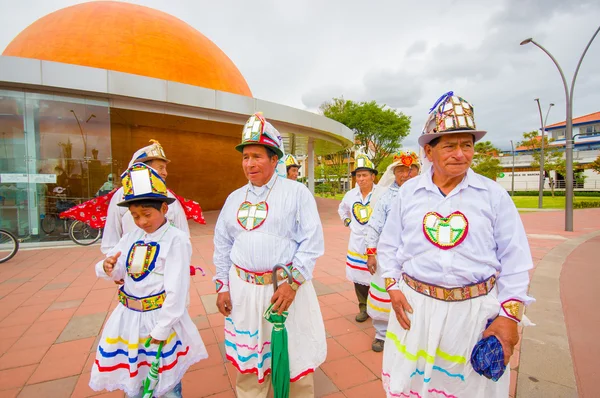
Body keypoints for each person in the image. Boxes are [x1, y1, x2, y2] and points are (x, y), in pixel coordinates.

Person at [378, 92, 534, 397]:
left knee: (466, 389)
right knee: (412, 386)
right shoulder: (408, 194)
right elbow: (389, 246)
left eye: (467, 145)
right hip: (416, 311)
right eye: (450, 145)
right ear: (429, 151)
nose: (460, 154)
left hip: (473, 316)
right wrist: (393, 288)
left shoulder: (492, 195)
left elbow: (515, 259)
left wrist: (509, 316)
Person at [213, 112, 326, 398]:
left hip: (284, 291)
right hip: (244, 292)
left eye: (257, 156)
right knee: (250, 362)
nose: (249, 164)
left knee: (293, 355)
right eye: (245, 157)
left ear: (274, 159)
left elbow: (312, 242)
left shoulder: (297, 193)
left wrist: (293, 283)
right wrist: (223, 286)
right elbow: (222, 244)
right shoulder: (234, 198)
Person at [89, 162, 208, 397]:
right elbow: (120, 270)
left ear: (164, 208)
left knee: (164, 382)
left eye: (146, 214)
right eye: (134, 216)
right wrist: (108, 267)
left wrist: (163, 327)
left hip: (159, 320)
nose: (142, 221)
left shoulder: (176, 240)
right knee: (134, 380)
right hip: (129, 320)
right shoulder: (132, 237)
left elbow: (177, 290)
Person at [365, 150, 420, 352]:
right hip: (388, 256)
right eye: (401, 170)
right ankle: (381, 333)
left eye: (411, 169)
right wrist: (371, 252)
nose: (406, 174)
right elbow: (374, 226)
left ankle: (410, 331)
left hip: (414, 258)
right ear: (394, 173)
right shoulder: (386, 197)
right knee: (384, 294)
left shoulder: (424, 195)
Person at [101, 140, 191, 254]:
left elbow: (183, 234)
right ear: (143, 168)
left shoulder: (169, 196)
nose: (165, 173)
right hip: (130, 265)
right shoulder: (120, 196)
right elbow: (111, 240)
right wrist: (115, 263)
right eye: (161, 168)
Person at [337, 154, 378, 323]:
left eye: (364, 175)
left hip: (376, 243)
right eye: (358, 175)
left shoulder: (381, 194)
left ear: (373, 176)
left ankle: (378, 308)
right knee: (359, 278)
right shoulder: (351, 195)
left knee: (376, 276)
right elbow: (342, 210)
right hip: (356, 242)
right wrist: (348, 222)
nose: (361, 179)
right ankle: (363, 307)